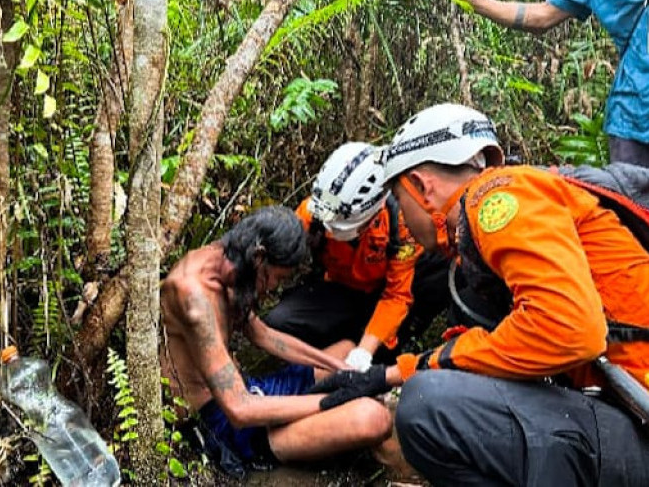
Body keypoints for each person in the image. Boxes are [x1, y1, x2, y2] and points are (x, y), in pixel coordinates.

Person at [312, 103, 649, 485]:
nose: (401, 217)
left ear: (422, 186)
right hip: (619, 408)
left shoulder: (496, 197)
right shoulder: (497, 222)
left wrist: (407, 372)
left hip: (634, 421)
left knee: (427, 406)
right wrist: (388, 373)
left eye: (399, 199)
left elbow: (572, 330)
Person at [159, 205, 392, 478]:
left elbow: (263, 335)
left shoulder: (232, 262)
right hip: (222, 421)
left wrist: (343, 372)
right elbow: (240, 410)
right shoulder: (195, 297)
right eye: (276, 279)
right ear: (260, 258)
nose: (272, 289)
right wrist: (334, 398)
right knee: (374, 418)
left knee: (347, 351)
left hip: (246, 389)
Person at [264, 142, 450, 371]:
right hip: (340, 288)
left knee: (378, 360)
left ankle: (396, 336)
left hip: (386, 293)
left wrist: (363, 352)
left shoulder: (401, 222)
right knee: (278, 322)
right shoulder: (313, 213)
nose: (330, 230)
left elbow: (396, 296)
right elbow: (279, 253)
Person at [450, 0, 649, 167]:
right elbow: (540, 16)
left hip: (632, 115)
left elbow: (539, 16)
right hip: (633, 118)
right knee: (633, 204)